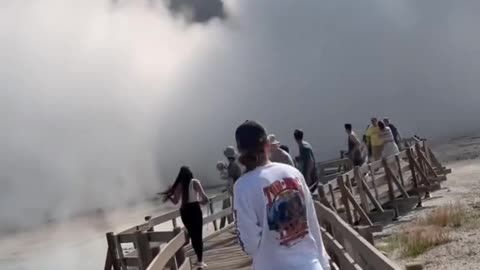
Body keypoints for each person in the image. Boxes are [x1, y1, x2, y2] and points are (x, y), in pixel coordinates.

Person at [233, 120, 330, 270]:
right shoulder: (293, 172)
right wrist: (324, 263)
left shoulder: (242, 186)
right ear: (267, 144)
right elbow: (312, 222)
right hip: (310, 265)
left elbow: (249, 244)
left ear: (239, 150)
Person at [160, 166, 209, 269]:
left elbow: (176, 201)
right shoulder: (195, 182)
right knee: (198, 236)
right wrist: (198, 202)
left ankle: (185, 251)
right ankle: (200, 261)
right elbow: (205, 199)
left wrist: (169, 195)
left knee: (192, 234)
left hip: (185, 211)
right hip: (195, 210)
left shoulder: (179, 185)